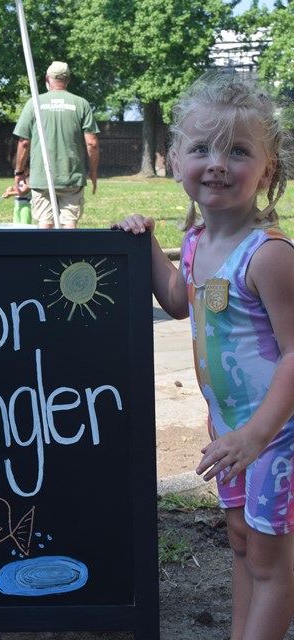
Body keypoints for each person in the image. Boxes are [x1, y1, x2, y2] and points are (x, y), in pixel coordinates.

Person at [114, 70, 294, 640]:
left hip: (276, 437)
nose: (217, 162)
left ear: (267, 169)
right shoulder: (196, 243)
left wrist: (259, 435)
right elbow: (177, 301)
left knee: (272, 566)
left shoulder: (266, 256)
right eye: (201, 148)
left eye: (238, 150)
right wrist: (143, 246)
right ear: (173, 160)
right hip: (232, 436)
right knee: (242, 546)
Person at [12, 61, 100, 229]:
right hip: (71, 176)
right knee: (69, 223)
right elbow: (92, 143)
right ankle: (68, 255)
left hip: (41, 178)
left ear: (47, 79)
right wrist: (93, 173)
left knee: (44, 223)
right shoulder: (81, 104)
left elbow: (24, 143)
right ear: (68, 80)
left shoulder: (34, 103)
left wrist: (19, 172)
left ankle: (46, 255)